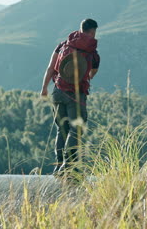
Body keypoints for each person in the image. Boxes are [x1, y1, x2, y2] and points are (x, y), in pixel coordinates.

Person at [41, 19, 100, 177]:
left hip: (58, 91)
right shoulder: (92, 52)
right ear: (92, 32)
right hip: (76, 94)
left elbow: (51, 67)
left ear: (80, 29)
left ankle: (58, 164)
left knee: (62, 129)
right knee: (76, 129)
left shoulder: (63, 45)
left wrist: (44, 88)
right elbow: (90, 75)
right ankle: (68, 166)